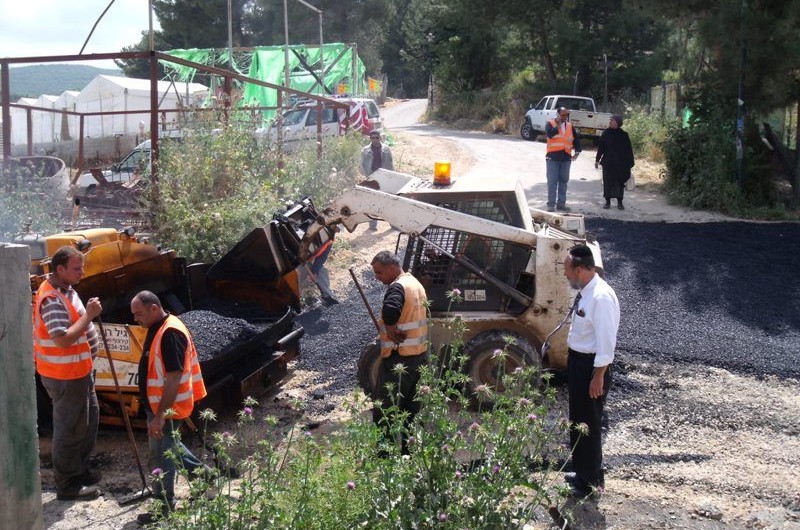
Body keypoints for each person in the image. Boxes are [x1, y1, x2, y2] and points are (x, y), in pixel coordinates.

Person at [130, 291, 208, 524]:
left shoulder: (170, 333)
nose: (136, 319)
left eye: (139, 313)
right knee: (171, 445)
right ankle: (204, 477)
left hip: (167, 407)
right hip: (160, 406)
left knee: (160, 456)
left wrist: (159, 416)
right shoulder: (159, 326)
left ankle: (163, 508)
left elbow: (174, 377)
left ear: (154, 308)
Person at [32, 246, 103, 501]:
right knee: (69, 428)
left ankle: (79, 470)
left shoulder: (67, 289)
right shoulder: (51, 299)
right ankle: (67, 484)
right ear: (59, 269)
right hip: (64, 375)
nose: (82, 272)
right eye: (77, 268)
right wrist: (91, 316)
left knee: (88, 422)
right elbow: (62, 340)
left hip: (80, 371)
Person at [562, 244, 620, 498]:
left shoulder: (601, 297)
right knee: (579, 420)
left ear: (580, 270)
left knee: (590, 423)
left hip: (591, 368)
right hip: (579, 363)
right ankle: (583, 472)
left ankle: (591, 482)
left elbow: (607, 342)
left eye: (567, 270)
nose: (565, 275)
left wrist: (598, 376)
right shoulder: (587, 291)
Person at [371, 251, 428, 454]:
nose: (377, 278)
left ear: (392, 268)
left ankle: (384, 455)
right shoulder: (415, 284)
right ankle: (409, 452)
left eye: (379, 273)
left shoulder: (397, 287)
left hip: (400, 358)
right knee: (410, 409)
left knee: (385, 409)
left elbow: (390, 310)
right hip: (419, 355)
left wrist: (390, 329)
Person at [545, 107, 582, 212]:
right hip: (552, 158)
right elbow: (550, 134)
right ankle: (551, 205)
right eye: (562, 115)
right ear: (557, 114)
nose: (565, 117)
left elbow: (576, 140)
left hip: (566, 158)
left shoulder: (570, 126)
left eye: (566, 115)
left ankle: (561, 203)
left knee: (564, 181)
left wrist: (577, 152)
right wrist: (558, 124)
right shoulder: (550, 124)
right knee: (552, 182)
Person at [595, 114, 635, 210]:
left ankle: (620, 203)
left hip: (620, 164)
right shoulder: (606, 133)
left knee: (619, 183)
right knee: (607, 182)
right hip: (608, 163)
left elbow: (629, 150)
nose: (610, 122)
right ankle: (607, 202)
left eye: (612, 120)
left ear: (617, 123)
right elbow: (601, 148)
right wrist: (597, 160)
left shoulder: (624, 135)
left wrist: (630, 163)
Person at [360, 130, 394, 230]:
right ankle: (372, 226)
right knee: (373, 203)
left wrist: (391, 176)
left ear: (380, 138)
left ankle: (393, 224)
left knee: (387, 202)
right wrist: (367, 176)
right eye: (372, 138)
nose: (375, 140)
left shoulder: (386, 149)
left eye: (377, 137)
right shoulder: (365, 150)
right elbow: (361, 165)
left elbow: (391, 163)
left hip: (385, 178)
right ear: (370, 138)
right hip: (372, 179)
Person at [297, 227, 339, 306]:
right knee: (298, 278)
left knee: (321, 272)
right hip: (299, 260)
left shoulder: (328, 240)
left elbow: (322, 257)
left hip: (309, 259)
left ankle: (327, 295)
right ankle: (298, 302)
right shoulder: (306, 235)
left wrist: (314, 271)